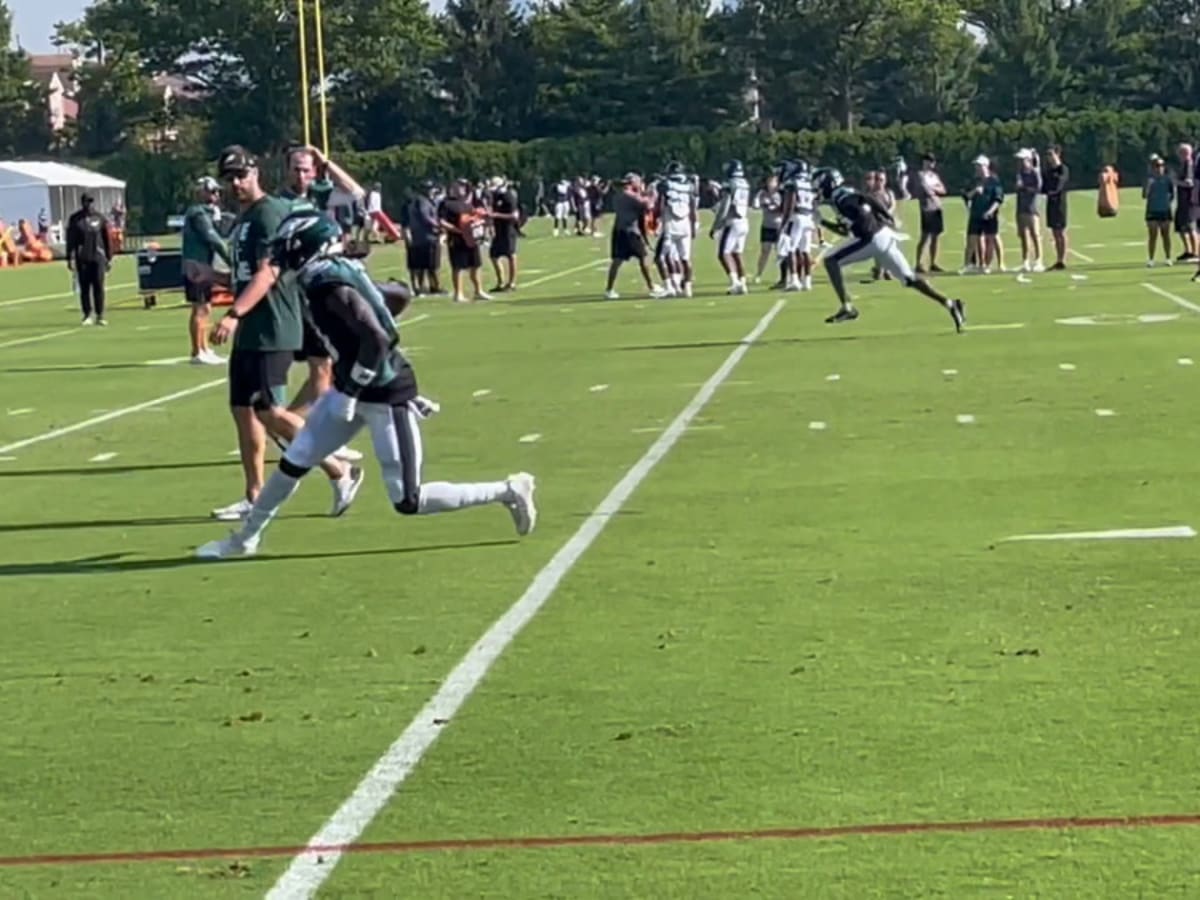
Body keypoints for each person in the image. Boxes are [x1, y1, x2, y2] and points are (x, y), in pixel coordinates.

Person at [195, 212, 537, 560]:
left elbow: (378, 338)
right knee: (295, 458)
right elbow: (397, 296)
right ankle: (245, 539)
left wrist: (362, 390)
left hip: (384, 394)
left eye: (287, 249)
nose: (281, 257)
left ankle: (508, 490)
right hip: (352, 387)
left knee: (407, 499)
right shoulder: (329, 274)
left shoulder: (328, 283)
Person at [208, 144, 363, 522]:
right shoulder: (243, 219)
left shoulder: (269, 213)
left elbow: (269, 272)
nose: (236, 184)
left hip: (271, 325)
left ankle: (339, 470)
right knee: (242, 411)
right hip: (251, 328)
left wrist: (233, 313)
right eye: (229, 178)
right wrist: (213, 278)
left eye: (241, 175)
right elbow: (247, 273)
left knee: (271, 412)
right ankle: (254, 494)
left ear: (256, 171)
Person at [812, 167, 965, 332]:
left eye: (819, 187)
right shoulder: (846, 192)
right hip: (883, 235)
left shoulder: (840, 199)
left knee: (830, 261)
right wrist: (886, 216)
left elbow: (850, 226)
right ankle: (950, 303)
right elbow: (868, 201)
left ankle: (847, 307)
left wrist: (822, 221)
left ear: (828, 184)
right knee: (909, 279)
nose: (818, 191)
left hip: (870, 239)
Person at [181, 176, 231, 364]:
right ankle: (197, 351)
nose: (216, 195)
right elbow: (213, 239)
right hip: (196, 266)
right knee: (200, 308)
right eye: (212, 191)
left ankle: (204, 348)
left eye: (217, 191)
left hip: (203, 265)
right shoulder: (198, 214)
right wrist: (230, 260)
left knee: (206, 307)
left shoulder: (206, 212)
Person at [604, 173, 666, 300]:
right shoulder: (629, 196)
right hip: (630, 231)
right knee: (643, 258)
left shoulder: (618, 195)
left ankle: (609, 289)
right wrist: (652, 194)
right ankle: (652, 287)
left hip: (619, 230)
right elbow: (648, 205)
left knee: (617, 261)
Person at [439, 180, 490, 303]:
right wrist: (457, 230)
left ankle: (478, 291)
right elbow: (442, 221)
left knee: (476, 265)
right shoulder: (446, 204)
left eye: (462, 188)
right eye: (458, 187)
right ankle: (458, 293)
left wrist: (480, 221)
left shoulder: (466, 203)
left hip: (471, 239)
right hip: (456, 239)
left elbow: (474, 216)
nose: (461, 190)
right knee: (458, 266)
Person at [65, 193, 112, 326]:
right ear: (83, 203)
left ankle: (100, 315)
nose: (89, 204)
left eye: (91, 202)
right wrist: (69, 257)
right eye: (87, 202)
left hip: (98, 258)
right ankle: (87, 314)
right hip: (82, 258)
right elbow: (71, 240)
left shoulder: (100, 218)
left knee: (99, 286)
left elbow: (107, 239)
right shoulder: (75, 219)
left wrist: (109, 257)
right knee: (85, 288)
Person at [654, 162, 698, 297]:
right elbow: (693, 208)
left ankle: (670, 288)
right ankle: (688, 289)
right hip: (685, 225)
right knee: (685, 259)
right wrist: (693, 226)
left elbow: (660, 203)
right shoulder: (689, 186)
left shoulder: (665, 185)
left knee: (659, 258)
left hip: (670, 225)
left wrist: (657, 219)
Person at [711, 160, 752, 295]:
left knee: (723, 253)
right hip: (744, 220)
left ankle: (735, 283)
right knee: (737, 253)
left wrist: (716, 225)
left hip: (733, 221)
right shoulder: (744, 183)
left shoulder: (730, 184)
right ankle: (743, 283)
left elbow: (725, 206)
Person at [406, 181, 443, 296]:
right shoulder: (422, 201)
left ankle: (426, 287)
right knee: (430, 264)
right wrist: (438, 226)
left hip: (421, 236)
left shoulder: (422, 201)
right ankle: (432, 287)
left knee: (424, 264)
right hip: (426, 236)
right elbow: (425, 216)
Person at [913, 153, 946, 274]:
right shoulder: (920, 175)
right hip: (927, 208)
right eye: (927, 161)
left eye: (932, 161)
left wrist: (934, 189)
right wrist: (933, 190)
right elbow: (925, 190)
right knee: (924, 237)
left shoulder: (934, 176)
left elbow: (943, 190)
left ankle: (933, 263)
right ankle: (918, 263)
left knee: (936, 236)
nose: (930, 164)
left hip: (937, 207)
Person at [488, 176, 520, 292]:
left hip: (508, 229)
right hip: (499, 229)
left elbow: (514, 215)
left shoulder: (509, 196)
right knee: (493, 255)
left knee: (511, 255)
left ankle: (511, 283)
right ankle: (501, 282)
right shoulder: (496, 196)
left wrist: (496, 215)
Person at [1014, 148, 1045, 273]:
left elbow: (1038, 188)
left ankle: (1038, 260)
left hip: (1032, 207)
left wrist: (1024, 187)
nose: (1020, 162)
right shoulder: (1019, 173)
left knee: (1035, 234)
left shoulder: (1034, 172)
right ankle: (1025, 260)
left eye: (1022, 160)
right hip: (1021, 207)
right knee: (1023, 235)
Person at [1043, 145, 1070, 269]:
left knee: (1061, 232)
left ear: (1057, 154)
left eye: (1051, 154)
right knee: (1054, 233)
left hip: (1060, 204)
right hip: (1051, 204)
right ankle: (1058, 259)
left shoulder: (1063, 169)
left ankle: (1062, 259)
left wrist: (1052, 191)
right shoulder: (1048, 171)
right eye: (1048, 155)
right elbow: (1043, 187)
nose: (1049, 157)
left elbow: (1060, 184)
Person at [1144, 154, 1174, 267]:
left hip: (1165, 210)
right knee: (1152, 235)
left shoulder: (1167, 179)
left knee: (1166, 235)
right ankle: (1151, 259)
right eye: (1157, 166)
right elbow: (1145, 195)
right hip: (1152, 210)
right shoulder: (1149, 180)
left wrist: (1166, 203)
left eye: (1161, 165)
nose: (1159, 168)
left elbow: (1172, 194)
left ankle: (1168, 257)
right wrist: (1148, 186)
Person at [753, 173, 783, 283]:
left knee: (780, 252)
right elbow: (755, 204)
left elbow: (782, 208)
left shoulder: (780, 194)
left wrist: (772, 207)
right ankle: (759, 274)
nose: (771, 184)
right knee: (765, 251)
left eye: (773, 181)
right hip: (767, 225)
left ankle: (782, 276)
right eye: (769, 181)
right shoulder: (762, 193)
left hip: (778, 226)